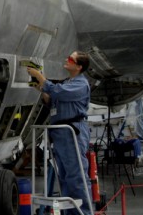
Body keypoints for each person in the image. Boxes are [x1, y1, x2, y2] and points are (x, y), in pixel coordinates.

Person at [27, 51, 92, 215]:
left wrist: (41, 77)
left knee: (76, 176)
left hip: (72, 133)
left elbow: (60, 93)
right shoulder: (68, 82)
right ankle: (70, 212)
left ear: (78, 66)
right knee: (63, 176)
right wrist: (42, 90)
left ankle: (84, 212)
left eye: (71, 59)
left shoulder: (80, 84)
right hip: (60, 133)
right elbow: (54, 101)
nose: (66, 60)